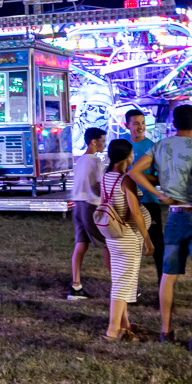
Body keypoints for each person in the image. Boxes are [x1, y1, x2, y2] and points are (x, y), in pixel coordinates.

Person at [130, 104, 192, 351]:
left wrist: (159, 194)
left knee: (168, 276)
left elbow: (135, 172)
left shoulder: (160, 146)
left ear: (173, 123)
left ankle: (166, 331)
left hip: (173, 217)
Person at [100, 139, 153, 341]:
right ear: (126, 157)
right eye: (132, 154)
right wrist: (147, 238)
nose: (133, 157)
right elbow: (135, 212)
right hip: (128, 238)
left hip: (114, 238)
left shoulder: (106, 177)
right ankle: (113, 330)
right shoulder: (126, 180)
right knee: (123, 285)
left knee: (120, 281)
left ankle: (125, 324)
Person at [68, 127, 108, 301]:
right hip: (91, 206)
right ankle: (120, 286)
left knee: (81, 244)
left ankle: (76, 286)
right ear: (94, 141)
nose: (104, 145)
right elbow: (100, 186)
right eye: (102, 141)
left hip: (77, 206)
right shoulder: (95, 161)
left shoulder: (81, 161)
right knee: (107, 243)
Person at [126, 109, 165, 284]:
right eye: (136, 123)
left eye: (142, 123)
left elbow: (160, 179)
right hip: (126, 201)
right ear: (127, 125)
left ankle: (163, 286)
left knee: (157, 245)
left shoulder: (153, 147)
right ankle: (128, 288)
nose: (140, 127)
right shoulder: (123, 146)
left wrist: (137, 175)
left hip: (149, 202)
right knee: (128, 246)